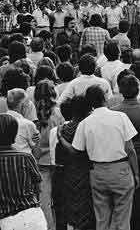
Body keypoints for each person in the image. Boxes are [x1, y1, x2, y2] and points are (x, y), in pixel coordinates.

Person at [58, 85, 139, 230]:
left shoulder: (85, 123)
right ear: (104, 98)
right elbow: (130, 150)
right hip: (120, 170)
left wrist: (61, 138)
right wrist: (136, 174)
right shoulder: (120, 117)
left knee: (102, 218)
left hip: (97, 172)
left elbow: (75, 151)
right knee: (123, 216)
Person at [112, 75, 140, 230]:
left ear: (121, 91)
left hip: (124, 159)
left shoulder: (114, 112)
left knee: (125, 197)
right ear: (138, 90)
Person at [0, 114, 47, 230]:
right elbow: (38, 187)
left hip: (7, 220)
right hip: (33, 217)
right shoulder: (25, 157)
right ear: (15, 134)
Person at [55, 96, 95, 230]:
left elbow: (59, 157)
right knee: (87, 208)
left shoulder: (64, 130)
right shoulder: (89, 127)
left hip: (69, 173)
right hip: (88, 172)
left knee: (72, 207)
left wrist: (60, 137)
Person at [34, 79, 65, 230]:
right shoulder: (58, 113)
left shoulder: (34, 112)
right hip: (57, 160)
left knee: (44, 201)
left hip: (40, 161)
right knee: (60, 199)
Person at [1, 88, 40, 158]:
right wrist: (38, 141)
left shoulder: (2, 122)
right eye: (28, 103)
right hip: (22, 165)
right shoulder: (28, 124)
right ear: (22, 104)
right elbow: (37, 154)